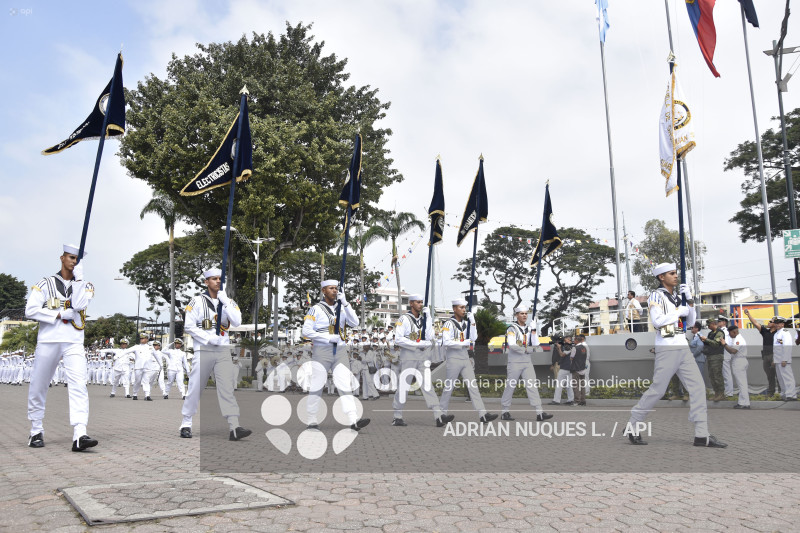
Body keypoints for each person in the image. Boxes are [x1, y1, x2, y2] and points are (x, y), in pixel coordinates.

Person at [627, 262, 725, 448]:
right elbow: (657, 322)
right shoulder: (657, 295)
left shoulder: (676, 297)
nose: (675, 276)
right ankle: (633, 424)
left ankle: (701, 435)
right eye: (671, 273)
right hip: (667, 346)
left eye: (675, 273)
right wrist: (679, 310)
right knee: (658, 390)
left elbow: (690, 321)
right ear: (661, 277)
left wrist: (689, 301)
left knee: (697, 388)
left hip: (682, 345)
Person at [24, 244, 98, 451]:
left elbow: (80, 305)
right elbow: (30, 310)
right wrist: (56, 314)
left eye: (78, 259)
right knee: (39, 385)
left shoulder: (86, 284)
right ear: (62, 258)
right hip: (49, 340)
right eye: (71, 258)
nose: (74, 262)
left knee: (78, 384)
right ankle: (36, 430)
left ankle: (80, 433)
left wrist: (80, 280)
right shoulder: (45, 283)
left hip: (73, 340)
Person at [179, 267, 251, 440]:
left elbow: (237, 321)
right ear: (206, 282)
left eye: (220, 279)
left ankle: (234, 426)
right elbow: (189, 326)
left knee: (227, 388)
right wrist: (208, 338)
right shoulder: (196, 301)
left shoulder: (228, 301)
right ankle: (186, 423)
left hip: (223, 350)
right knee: (196, 387)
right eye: (214, 279)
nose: (218, 281)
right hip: (203, 349)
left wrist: (225, 302)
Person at [300, 280, 370, 431]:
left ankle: (353, 419)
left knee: (345, 384)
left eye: (336, 288)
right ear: (323, 290)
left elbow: (355, 322)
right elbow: (306, 331)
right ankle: (311, 419)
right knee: (317, 385)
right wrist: (327, 337)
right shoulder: (315, 309)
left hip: (340, 350)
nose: (334, 291)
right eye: (331, 288)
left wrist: (345, 303)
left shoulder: (342, 308)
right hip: (322, 350)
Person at [391, 294, 454, 427]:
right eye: (418, 302)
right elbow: (398, 339)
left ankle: (438, 415)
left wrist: (429, 318)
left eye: (421, 302)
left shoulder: (424, 319)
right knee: (404, 386)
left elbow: (430, 336)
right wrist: (416, 344)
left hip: (422, 356)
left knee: (427, 385)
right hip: (408, 355)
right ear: (411, 304)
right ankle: (397, 415)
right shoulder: (404, 319)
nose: (420, 304)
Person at [439, 299, 498, 423]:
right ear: (454, 309)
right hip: (453, 357)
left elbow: (474, 338)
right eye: (461, 307)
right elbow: (446, 342)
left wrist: (473, 322)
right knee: (449, 387)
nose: (464, 310)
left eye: (465, 308)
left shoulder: (466, 323)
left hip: (464, 357)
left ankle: (483, 414)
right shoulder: (448, 324)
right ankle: (441, 415)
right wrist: (463, 342)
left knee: (473, 386)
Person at [500, 306, 553, 421]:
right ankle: (505, 411)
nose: (524, 315)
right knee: (510, 386)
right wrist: (526, 349)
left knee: (532, 386)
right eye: (521, 313)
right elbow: (512, 345)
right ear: (516, 315)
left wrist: (534, 331)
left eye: (526, 313)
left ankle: (539, 413)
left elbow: (536, 343)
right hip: (515, 361)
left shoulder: (530, 328)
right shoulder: (511, 329)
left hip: (527, 361)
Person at [744, 309, 778, 397]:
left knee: (779, 375)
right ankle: (771, 393)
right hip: (765, 356)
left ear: (775, 324)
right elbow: (755, 323)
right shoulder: (765, 331)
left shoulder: (778, 333)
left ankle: (782, 393)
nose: (769, 322)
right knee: (770, 376)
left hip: (774, 355)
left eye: (771, 321)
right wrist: (748, 315)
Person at [722, 324, 750, 409]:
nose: (729, 335)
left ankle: (745, 403)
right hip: (739, 361)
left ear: (734, 332)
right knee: (742, 383)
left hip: (739, 361)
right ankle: (742, 402)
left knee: (742, 384)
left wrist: (724, 344)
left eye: (730, 333)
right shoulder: (737, 338)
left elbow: (733, 351)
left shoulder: (738, 339)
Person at [700, 319, 726, 402]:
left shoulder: (719, 332)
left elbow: (716, 344)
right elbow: (709, 344)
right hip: (710, 356)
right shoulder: (711, 333)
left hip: (717, 356)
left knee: (717, 375)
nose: (708, 327)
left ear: (713, 324)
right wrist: (704, 341)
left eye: (709, 325)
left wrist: (706, 339)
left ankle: (721, 394)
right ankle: (716, 393)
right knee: (712, 376)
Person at [772, 316, 797, 401]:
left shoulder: (785, 332)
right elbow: (776, 348)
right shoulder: (776, 334)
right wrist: (774, 360)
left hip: (783, 360)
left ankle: (792, 395)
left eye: (778, 323)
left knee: (787, 378)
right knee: (781, 379)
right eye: (775, 323)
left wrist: (785, 359)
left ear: (782, 324)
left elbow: (787, 347)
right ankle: (784, 394)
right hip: (778, 360)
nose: (776, 325)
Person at [549, 337, 574, 405]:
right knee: (569, 385)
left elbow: (561, 355)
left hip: (565, 367)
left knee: (559, 384)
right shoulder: (571, 347)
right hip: (570, 368)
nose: (565, 341)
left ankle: (556, 400)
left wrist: (559, 348)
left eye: (567, 340)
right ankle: (570, 400)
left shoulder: (569, 347)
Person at [718, 317, 733, 398]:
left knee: (726, 374)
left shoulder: (725, 332)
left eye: (719, 321)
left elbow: (726, 343)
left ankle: (729, 393)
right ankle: (726, 392)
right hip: (722, 354)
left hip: (725, 354)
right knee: (724, 374)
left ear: (724, 322)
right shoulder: (722, 331)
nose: (718, 323)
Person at [571, 334, 589, 406]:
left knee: (575, 386)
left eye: (574, 340)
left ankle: (576, 401)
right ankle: (583, 400)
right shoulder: (584, 348)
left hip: (576, 368)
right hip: (583, 368)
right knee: (582, 385)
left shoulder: (574, 348)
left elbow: (571, 357)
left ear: (576, 340)